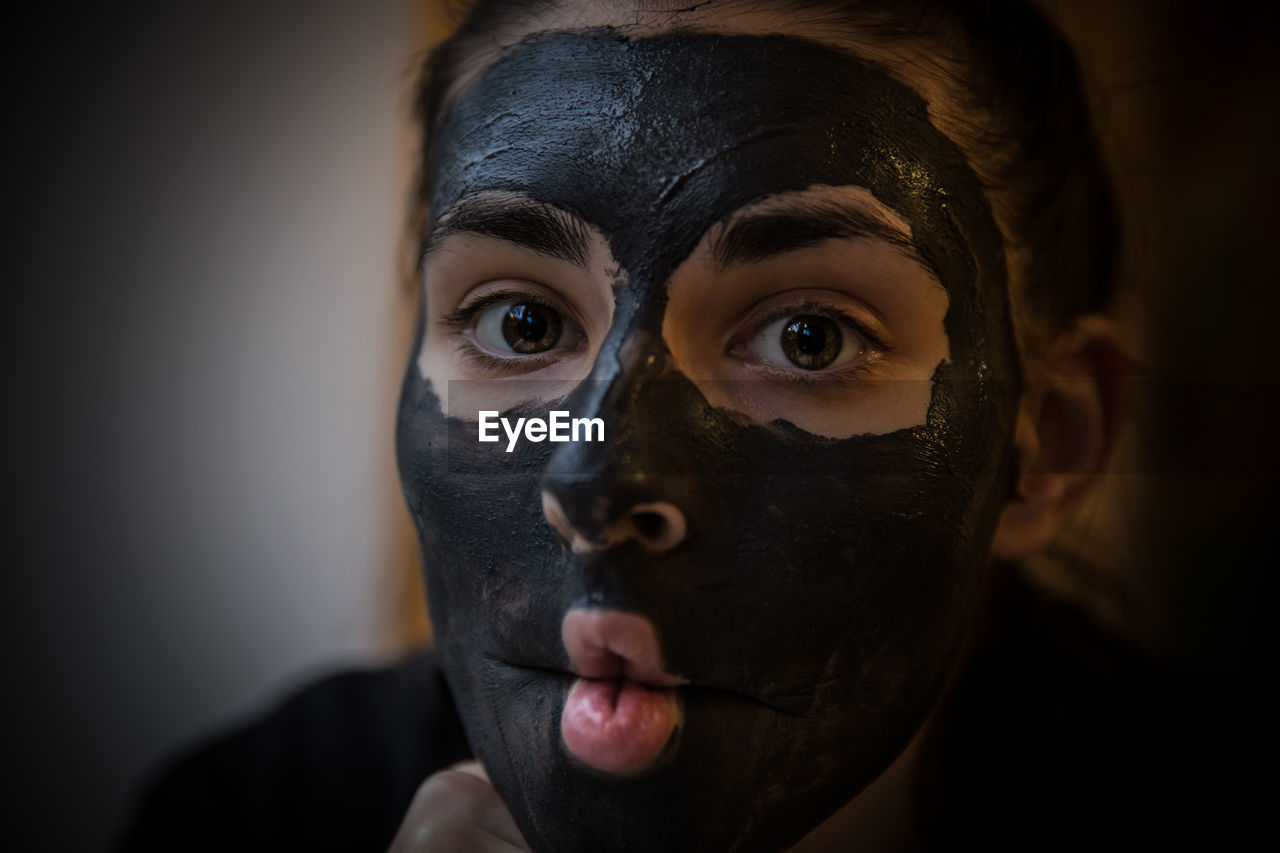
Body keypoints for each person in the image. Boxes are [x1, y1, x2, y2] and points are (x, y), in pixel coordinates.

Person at [119, 1, 1250, 850]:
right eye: (519, 321)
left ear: (1042, 443)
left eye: (808, 338)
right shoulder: (251, 814)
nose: (595, 482)